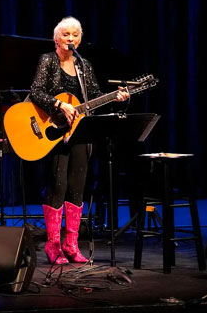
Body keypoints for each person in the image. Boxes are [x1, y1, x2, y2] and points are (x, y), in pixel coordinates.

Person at [29, 17, 129, 264]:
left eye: (75, 35)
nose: (70, 39)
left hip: (80, 133)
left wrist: (115, 97)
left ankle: (71, 245)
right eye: (65, 34)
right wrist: (59, 104)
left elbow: (93, 96)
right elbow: (36, 92)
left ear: (80, 39)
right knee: (58, 186)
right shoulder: (48, 61)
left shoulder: (84, 66)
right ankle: (53, 246)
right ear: (56, 38)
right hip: (53, 133)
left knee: (77, 186)